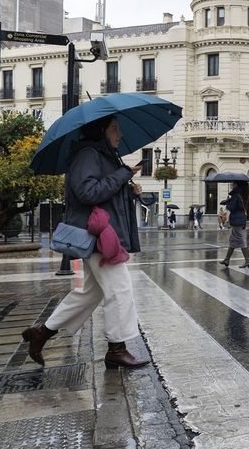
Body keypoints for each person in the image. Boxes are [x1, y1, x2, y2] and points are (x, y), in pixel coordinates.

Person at [22, 115, 148, 369]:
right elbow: (88, 193)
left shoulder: (103, 156)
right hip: (99, 235)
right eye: (115, 129)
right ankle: (116, 349)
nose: (119, 135)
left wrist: (128, 189)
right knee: (120, 289)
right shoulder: (87, 154)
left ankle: (42, 332)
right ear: (101, 130)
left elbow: (105, 194)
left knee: (90, 292)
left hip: (103, 234)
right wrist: (122, 174)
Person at [219, 182, 249, 267]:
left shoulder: (236, 195)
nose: (231, 185)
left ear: (237, 185)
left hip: (237, 220)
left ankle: (248, 260)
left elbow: (232, 207)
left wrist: (228, 203)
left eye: (233, 184)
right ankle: (227, 259)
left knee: (241, 240)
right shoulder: (241, 195)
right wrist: (229, 201)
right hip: (240, 219)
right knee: (233, 241)